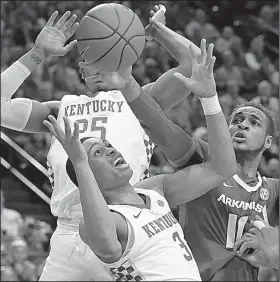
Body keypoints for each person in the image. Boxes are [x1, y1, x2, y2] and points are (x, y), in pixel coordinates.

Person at [1, 5, 208, 280]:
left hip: (123, 227)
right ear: (82, 70)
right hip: (68, 235)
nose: (101, 63)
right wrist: (36, 55)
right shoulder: (59, 108)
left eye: (108, 55)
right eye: (93, 58)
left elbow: (196, 67)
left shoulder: (141, 101)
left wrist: (160, 32)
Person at [42, 40, 236, 281]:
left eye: (108, 145)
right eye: (98, 153)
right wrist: (79, 162)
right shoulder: (106, 225)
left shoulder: (156, 193)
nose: (111, 151)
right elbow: (106, 246)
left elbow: (223, 168)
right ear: (87, 176)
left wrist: (210, 98)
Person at [114, 11, 279, 281]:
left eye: (254, 122)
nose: (242, 125)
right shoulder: (204, 157)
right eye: (236, 119)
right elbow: (160, 127)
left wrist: (274, 256)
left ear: (268, 142)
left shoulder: (273, 191)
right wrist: (128, 83)